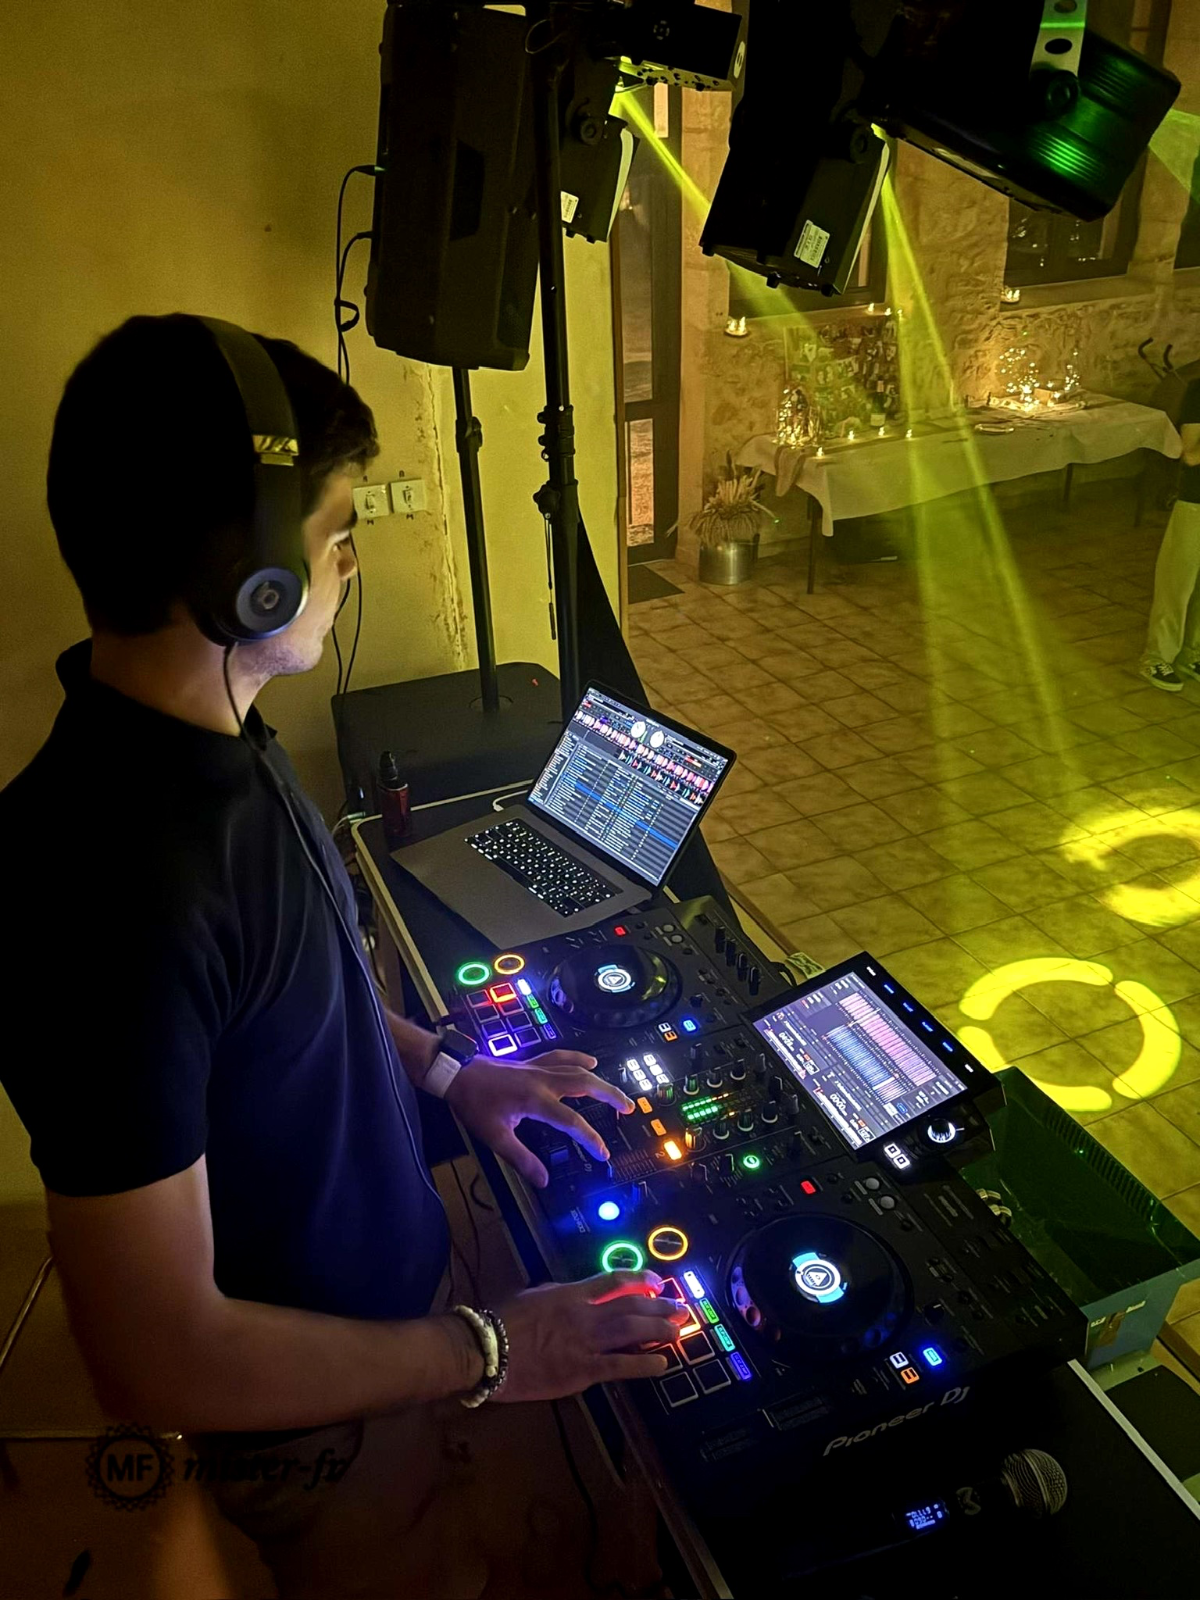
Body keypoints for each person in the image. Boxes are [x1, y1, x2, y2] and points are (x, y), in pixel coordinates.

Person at [0, 315, 686, 1595]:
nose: (350, 564)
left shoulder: (216, 739)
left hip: (394, 1333)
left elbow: (302, 997)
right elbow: (158, 1356)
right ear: (250, 581)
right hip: (313, 1414)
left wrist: (450, 1075)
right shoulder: (106, 897)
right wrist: (490, 1354)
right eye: (335, 534)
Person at [1142, 379, 1200, 690]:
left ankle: (1192, 654)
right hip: (1196, 503)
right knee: (1177, 583)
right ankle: (1157, 658)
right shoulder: (1198, 391)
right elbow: (1190, 454)